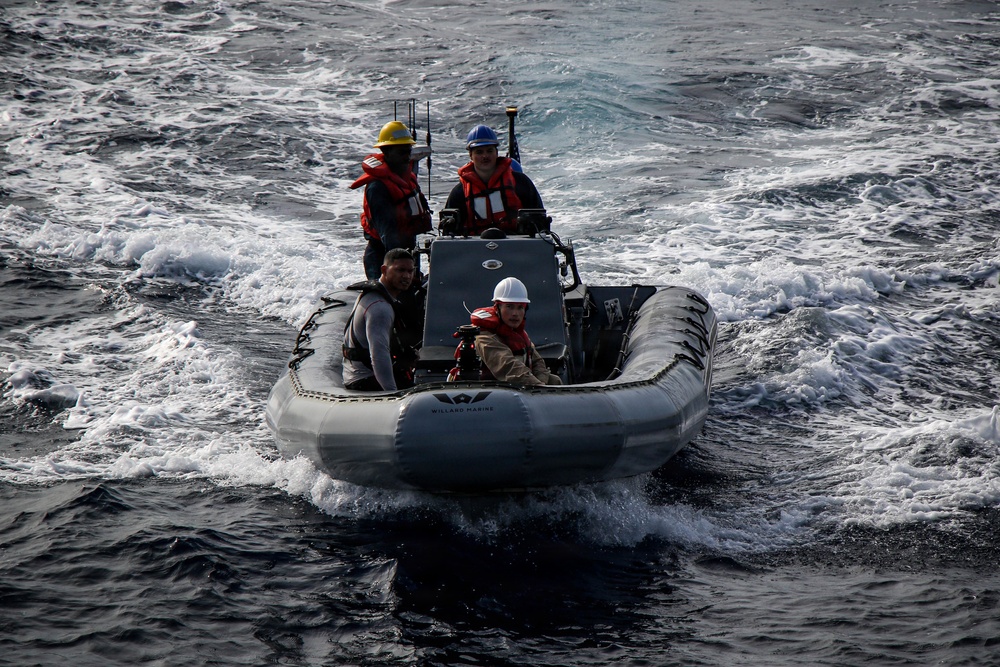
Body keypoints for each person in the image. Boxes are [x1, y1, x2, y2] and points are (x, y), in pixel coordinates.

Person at [350, 121, 432, 279]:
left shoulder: (409, 180)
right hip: (384, 258)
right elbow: (388, 234)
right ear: (386, 152)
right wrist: (399, 269)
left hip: (407, 254)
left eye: (408, 152)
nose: (407, 158)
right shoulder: (378, 188)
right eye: (401, 153)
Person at [443, 125, 544, 236]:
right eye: (479, 152)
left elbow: (540, 222)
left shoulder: (521, 182)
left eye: (489, 151)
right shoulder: (459, 192)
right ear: (471, 155)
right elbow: (449, 233)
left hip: (517, 248)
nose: (485, 156)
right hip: (473, 250)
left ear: (496, 153)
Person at [342, 248, 420, 391]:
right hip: (363, 379)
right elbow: (378, 357)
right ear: (384, 270)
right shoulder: (380, 308)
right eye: (400, 270)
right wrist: (392, 395)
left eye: (410, 271)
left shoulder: (374, 295)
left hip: (359, 373)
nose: (407, 276)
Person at [469, 277, 562, 386]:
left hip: (518, 386)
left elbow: (537, 362)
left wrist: (542, 382)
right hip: (492, 389)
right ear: (497, 307)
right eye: (509, 307)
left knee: (554, 380)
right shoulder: (484, 337)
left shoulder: (518, 334)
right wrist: (538, 387)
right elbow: (508, 367)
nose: (515, 313)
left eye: (520, 308)